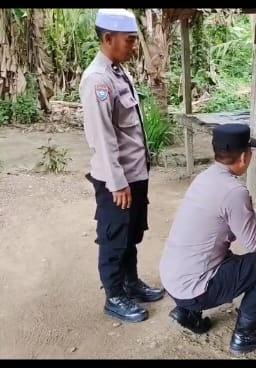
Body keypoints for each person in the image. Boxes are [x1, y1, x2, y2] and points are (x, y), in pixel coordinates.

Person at [159, 124, 256, 354]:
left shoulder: (205, 178)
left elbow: (239, 227)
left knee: (222, 255)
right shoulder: (235, 192)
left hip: (173, 280)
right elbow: (253, 242)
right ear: (244, 157)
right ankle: (246, 334)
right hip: (195, 289)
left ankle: (186, 312)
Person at [80, 8, 164, 323]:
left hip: (134, 174)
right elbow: (102, 138)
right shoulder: (98, 80)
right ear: (108, 39)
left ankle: (131, 283)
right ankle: (114, 296)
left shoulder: (119, 71)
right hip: (118, 179)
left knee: (132, 233)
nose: (133, 46)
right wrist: (117, 183)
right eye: (129, 41)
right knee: (115, 235)